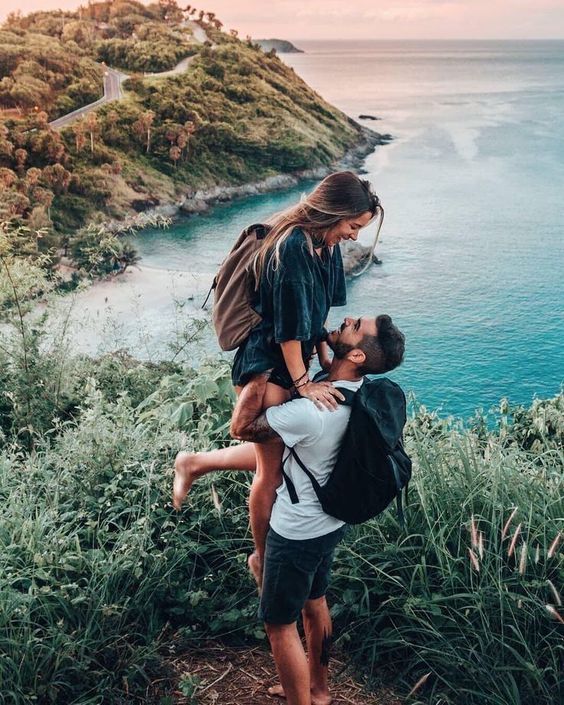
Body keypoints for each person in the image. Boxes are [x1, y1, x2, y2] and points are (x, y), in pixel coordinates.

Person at [173, 171, 382, 583]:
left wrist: (323, 356)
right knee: (270, 470)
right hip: (268, 364)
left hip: (297, 357)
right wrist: (305, 383)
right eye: (353, 226)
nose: (356, 236)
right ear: (334, 212)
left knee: (281, 453)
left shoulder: (325, 244)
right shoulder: (292, 247)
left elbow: (314, 315)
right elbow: (287, 330)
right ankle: (262, 559)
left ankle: (193, 463)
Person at [229, 313, 405, 705]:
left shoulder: (311, 412)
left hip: (295, 533)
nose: (348, 319)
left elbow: (241, 428)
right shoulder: (357, 393)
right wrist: (324, 347)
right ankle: (319, 690)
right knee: (315, 603)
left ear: (357, 354)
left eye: (355, 325)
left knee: (278, 625)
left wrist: (261, 373)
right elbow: (332, 370)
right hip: (329, 522)